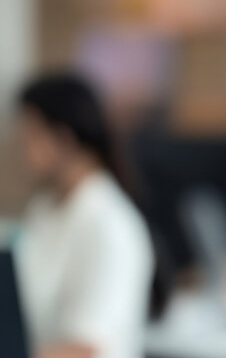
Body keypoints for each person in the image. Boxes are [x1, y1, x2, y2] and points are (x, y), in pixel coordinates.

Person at [14, 72, 153, 358]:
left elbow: (84, 347)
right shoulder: (45, 209)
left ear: (63, 139)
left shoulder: (108, 223)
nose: (21, 149)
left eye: (30, 135)